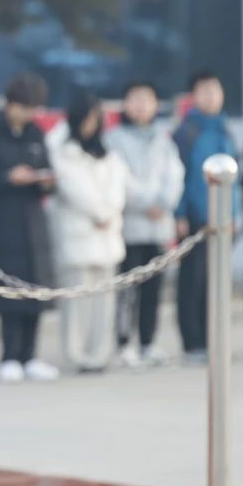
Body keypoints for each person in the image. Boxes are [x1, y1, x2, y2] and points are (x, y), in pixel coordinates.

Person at [0, 72, 60, 383]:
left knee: (35, 290)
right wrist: (8, 177)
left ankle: (30, 355)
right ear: (10, 104)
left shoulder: (36, 133)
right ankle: (9, 356)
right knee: (9, 292)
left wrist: (45, 181)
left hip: (33, 221)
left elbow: (48, 172)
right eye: (24, 107)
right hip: (2, 223)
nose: (28, 114)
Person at [47, 91, 127, 373]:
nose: (91, 124)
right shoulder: (61, 149)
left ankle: (100, 354)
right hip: (79, 232)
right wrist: (99, 212)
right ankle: (77, 354)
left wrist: (109, 211)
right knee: (77, 300)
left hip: (106, 235)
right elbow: (71, 185)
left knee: (105, 301)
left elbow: (118, 183)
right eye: (87, 117)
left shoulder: (107, 151)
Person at [106, 82, 184, 367]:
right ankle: (124, 342)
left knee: (154, 290)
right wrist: (146, 202)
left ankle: (148, 342)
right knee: (127, 289)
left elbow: (175, 175)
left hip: (158, 226)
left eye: (147, 100)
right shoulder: (114, 139)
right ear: (125, 104)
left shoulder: (163, 139)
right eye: (135, 99)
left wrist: (164, 202)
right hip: (130, 227)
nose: (141, 105)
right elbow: (117, 177)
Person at [173, 71, 237, 364]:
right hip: (195, 218)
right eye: (204, 91)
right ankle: (193, 342)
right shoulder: (186, 133)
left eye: (215, 90)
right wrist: (180, 213)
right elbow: (178, 176)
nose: (211, 96)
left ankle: (214, 339)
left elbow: (235, 180)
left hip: (223, 219)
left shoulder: (225, 131)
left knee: (217, 282)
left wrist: (233, 214)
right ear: (194, 96)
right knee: (193, 282)